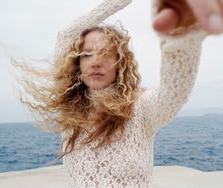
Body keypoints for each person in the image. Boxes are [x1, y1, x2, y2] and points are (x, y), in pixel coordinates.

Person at [12, 0, 222, 187]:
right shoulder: (70, 110)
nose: (96, 61)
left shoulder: (141, 107)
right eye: (86, 54)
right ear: (76, 63)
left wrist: (182, 37)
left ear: (120, 63)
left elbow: (175, 92)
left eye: (106, 54)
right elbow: (66, 34)